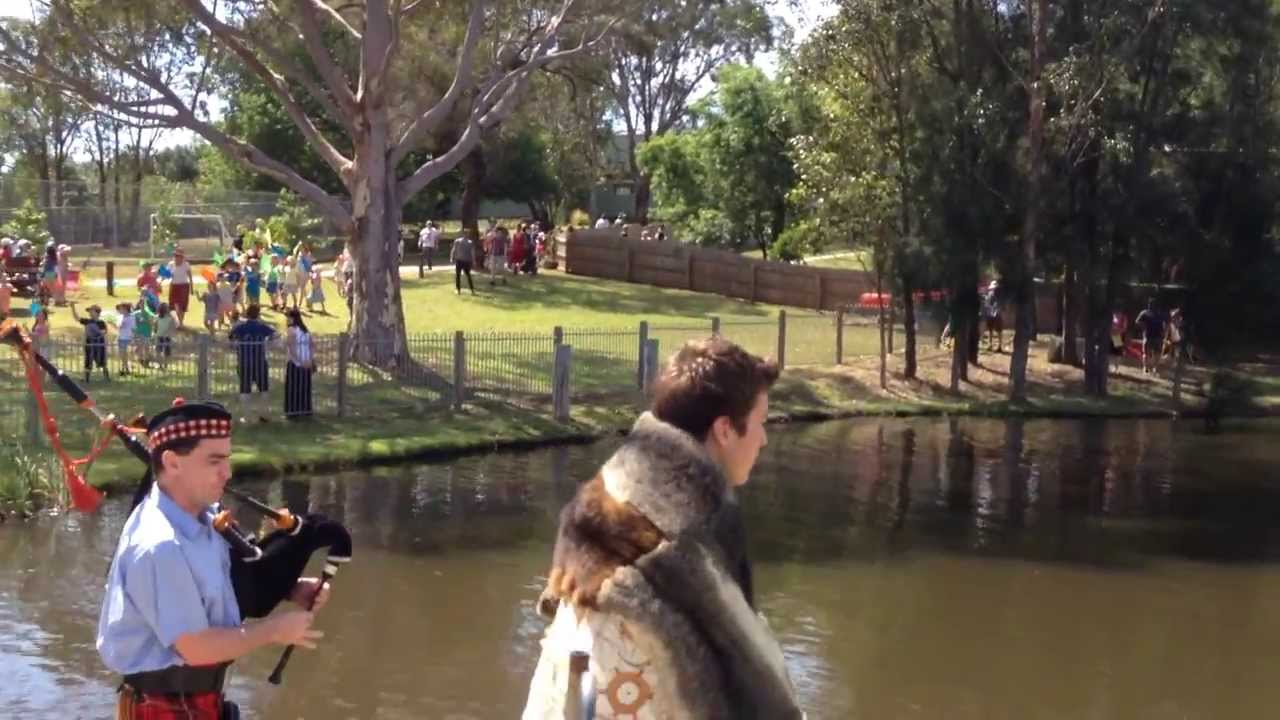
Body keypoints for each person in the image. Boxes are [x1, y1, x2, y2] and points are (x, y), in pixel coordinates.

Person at [522, 337, 802, 719]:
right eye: (759, 423)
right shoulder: (674, 562)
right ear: (724, 430)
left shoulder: (606, 508)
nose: (764, 439)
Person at [98, 400, 327, 720]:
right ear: (172, 462)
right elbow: (196, 647)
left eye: (227, 459)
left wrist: (291, 589)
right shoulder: (159, 545)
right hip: (164, 706)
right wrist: (274, 630)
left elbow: (220, 585)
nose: (228, 472)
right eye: (214, 461)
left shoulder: (205, 514)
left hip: (201, 701)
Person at [228, 304, 276, 423]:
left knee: (245, 389)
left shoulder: (241, 327)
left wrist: (237, 345)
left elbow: (230, 337)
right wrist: (268, 341)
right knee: (263, 389)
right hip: (260, 362)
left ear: (247, 314)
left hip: (245, 362)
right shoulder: (262, 327)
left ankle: (247, 416)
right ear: (258, 314)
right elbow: (275, 335)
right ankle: (264, 414)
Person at [284, 309, 314, 419]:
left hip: (295, 362)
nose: (286, 320)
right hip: (306, 361)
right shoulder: (305, 330)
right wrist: (309, 360)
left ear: (292, 318)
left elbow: (291, 348)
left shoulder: (291, 330)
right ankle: (305, 409)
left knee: (293, 387)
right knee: (304, 386)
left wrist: (300, 361)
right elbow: (311, 346)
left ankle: (293, 411)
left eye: (287, 317)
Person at [71, 302, 111, 382]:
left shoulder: (101, 323)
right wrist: (72, 308)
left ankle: (106, 378)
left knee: (101, 361)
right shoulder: (87, 321)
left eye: (91, 311)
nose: (90, 313)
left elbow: (103, 332)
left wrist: (96, 332)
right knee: (88, 360)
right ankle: (86, 378)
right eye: (89, 311)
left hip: (99, 344)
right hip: (89, 343)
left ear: (97, 312)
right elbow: (77, 318)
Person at [1135, 299, 1164, 375]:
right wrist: (1144, 327)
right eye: (1150, 304)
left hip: (1158, 336)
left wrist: (1163, 333)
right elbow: (1137, 321)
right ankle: (1146, 368)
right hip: (1148, 335)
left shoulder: (1159, 313)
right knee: (1146, 353)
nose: (1151, 305)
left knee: (1157, 353)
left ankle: (1154, 368)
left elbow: (1163, 324)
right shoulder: (1145, 313)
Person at [166, 248, 193, 327]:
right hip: (174, 286)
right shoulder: (171, 264)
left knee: (182, 306)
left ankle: (180, 322)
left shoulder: (186, 264)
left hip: (184, 286)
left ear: (182, 256)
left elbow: (190, 277)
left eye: (179, 256)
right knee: (175, 305)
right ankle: (178, 322)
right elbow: (166, 274)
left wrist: (192, 288)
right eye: (176, 255)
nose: (177, 257)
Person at [450, 228, 477, 295]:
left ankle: (472, 289)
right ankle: (458, 289)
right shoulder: (457, 241)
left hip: (466, 260)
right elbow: (454, 249)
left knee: (468, 275)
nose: (466, 235)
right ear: (463, 234)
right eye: (465, 233)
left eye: (467, 233)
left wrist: (473, 260)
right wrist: (451, 257)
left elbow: (472, 252)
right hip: (459, 260)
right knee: (458, 275)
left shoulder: (470, 242)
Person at [114, 301, 136, 375]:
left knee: (127, 354)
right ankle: (124, 368)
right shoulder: (121, 317)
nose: (119, 310)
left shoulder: (132, 317)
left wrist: (133, 338)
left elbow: (133, 328)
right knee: (122, 355)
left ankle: (128, 369)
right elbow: (118, 327)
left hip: (128, 338)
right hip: (121, 338)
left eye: (121, 308)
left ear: (125, 309)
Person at [982, 280, 1003, 353]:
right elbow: (987, 304)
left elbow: (998, 305)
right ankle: (990, 345)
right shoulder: (990, 294)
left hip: (996, 314)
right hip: (991, 314)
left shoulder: (999, 295)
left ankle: (999, 346)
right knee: (991, 330)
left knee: (998, 331)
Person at [155, 303, 176, 369]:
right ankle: (165, 365)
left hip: (160, 335)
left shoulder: (157, 317)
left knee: (159, 350)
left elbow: (155, 327)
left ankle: (160, 365)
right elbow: (173, 327)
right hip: (167, 336)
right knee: (167, 351)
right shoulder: (170, 317)